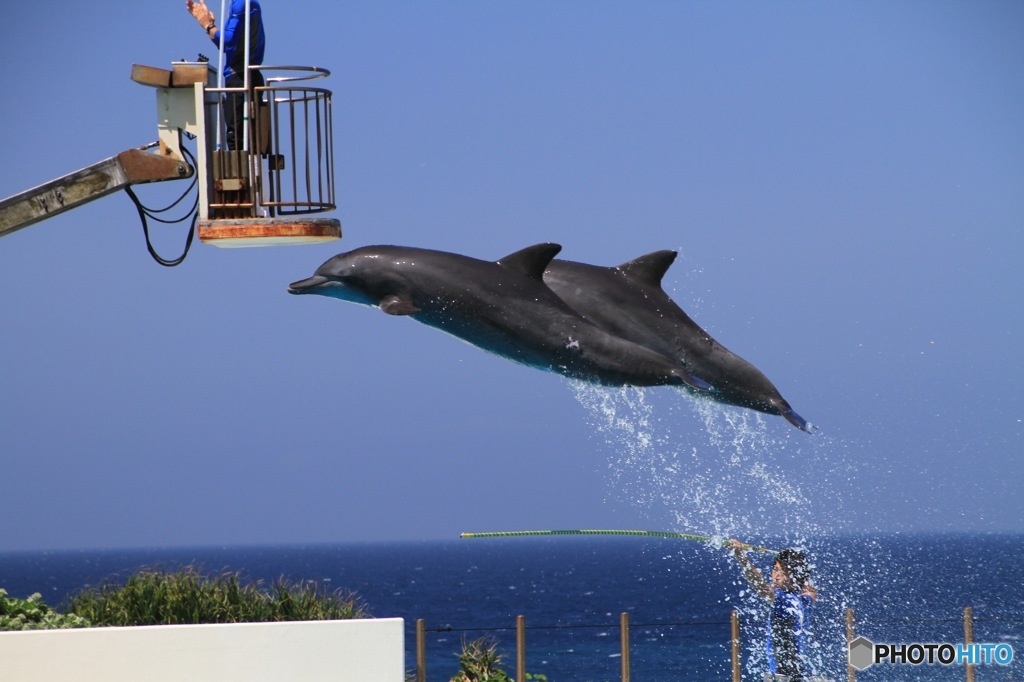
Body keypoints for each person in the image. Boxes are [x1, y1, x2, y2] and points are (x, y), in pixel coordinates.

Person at [729, 539, 817, 681]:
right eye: (775, 570)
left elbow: (758, 583)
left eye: (783, 573)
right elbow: (811, 590)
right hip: (798, 676)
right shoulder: (803, 600)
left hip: (782, 677)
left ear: (795, 576)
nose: (777, 576)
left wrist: (740, 555)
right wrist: (801, 568)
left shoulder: (784, 600)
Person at [185, 0, 266, 150]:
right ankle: (246, 168)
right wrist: (210, 27)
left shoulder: (242, 3)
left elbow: (228, 40)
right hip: (243, 76)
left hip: (240, 78)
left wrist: (208, 26)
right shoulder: (241, 4)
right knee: (241, 134)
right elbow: (226, 46)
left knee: (237, 136)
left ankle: (242, 171)